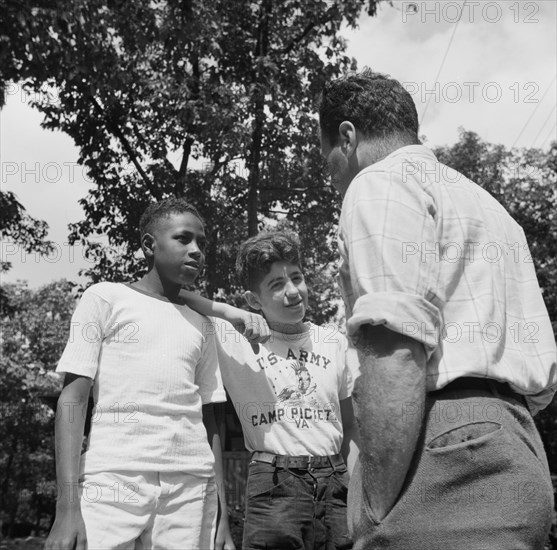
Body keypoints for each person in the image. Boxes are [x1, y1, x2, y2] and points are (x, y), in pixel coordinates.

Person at [318, 69, 557, 549]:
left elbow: (396, 352)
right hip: (521, 446)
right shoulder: (492, 209)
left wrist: (372, 508)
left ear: (347, 136)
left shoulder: (378, 182)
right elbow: (543, 380)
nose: (330, 173)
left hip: (438, 449)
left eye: (326, 158)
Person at [45, 198, 233, 550]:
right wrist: (67, 507)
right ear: (149, 244)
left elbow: (211, 418)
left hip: (191, 486)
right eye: (183, 239)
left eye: (203, 244)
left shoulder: (203, 325)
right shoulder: (104, 298)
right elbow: (73, 400)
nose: (196, 251)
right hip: (113, 478)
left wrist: (221, 512)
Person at [182, 230, 358, 550]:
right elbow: (173, 292)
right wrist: (230, 312)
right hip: (275, 484)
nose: (293, 292)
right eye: (276, 285)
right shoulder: (232, 337)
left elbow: (350, 429)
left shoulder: (335, 342)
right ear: (253, 300)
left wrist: (357, 494)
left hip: (335, 481)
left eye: (297, 277)